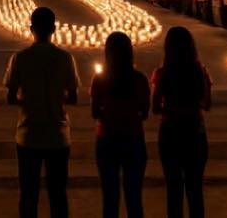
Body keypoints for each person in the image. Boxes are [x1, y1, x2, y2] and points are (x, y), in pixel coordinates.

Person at [4, 6, 81, 218]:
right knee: (58, 195)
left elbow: (10, 98)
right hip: (58, 136)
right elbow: (73, 97)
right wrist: (55, 99)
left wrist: (29, 100)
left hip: (28, 136)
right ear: (54, 29)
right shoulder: (65, 58)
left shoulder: (20, 58)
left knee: (28, 196)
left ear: (31, 29)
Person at [151, 27, 212, 218]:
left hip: (170, 133)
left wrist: (171, 108)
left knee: (173, 189)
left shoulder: (162, 73)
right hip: (195, 131)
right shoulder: (200, 72)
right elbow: (207, 104)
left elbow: (154, 107)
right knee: (195, 189)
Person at [90, 32, 149, 218]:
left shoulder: (100, 79)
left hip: (107, 139)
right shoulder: (139, 79)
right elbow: (145, 112)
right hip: (133, 139)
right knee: (134, 198)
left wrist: (109, 113)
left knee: (110, 199)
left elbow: (94, 112)